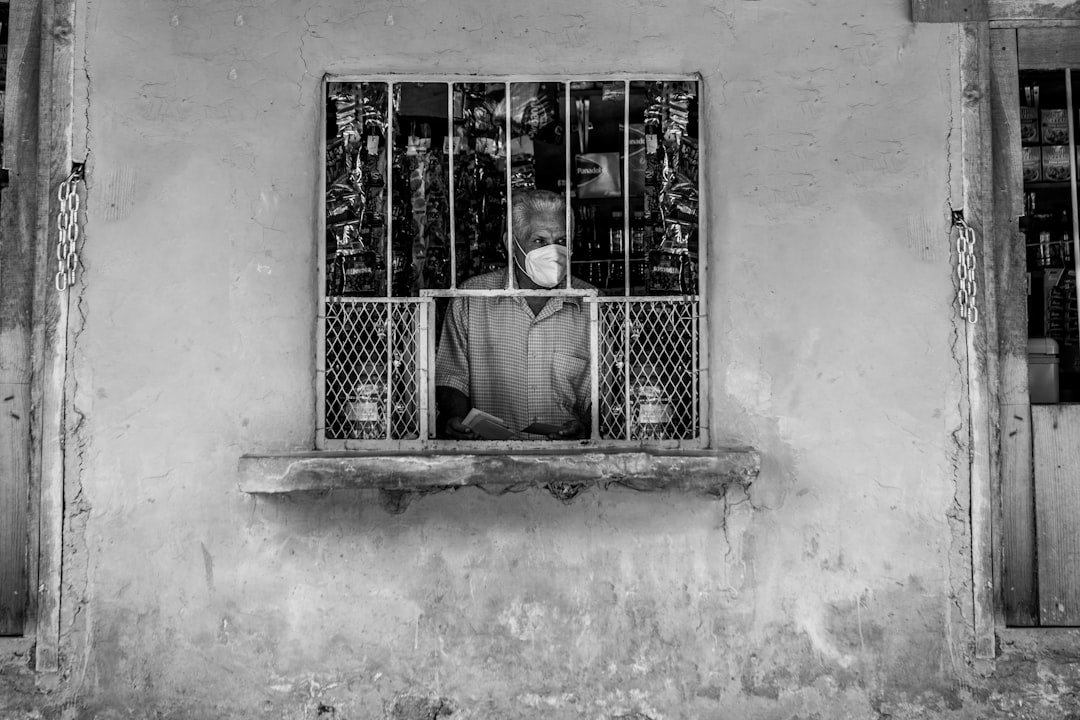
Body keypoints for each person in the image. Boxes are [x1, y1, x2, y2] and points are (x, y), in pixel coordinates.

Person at [435, 189, 593, 440]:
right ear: (512, 244)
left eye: (562, 241)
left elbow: (605, 389)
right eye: (539, 241)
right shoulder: (471, 297)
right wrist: (458, 419)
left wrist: (586, 428)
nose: (553, 252)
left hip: (568, 459)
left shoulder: (591, 303)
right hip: (489, 456)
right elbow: (451, 375)